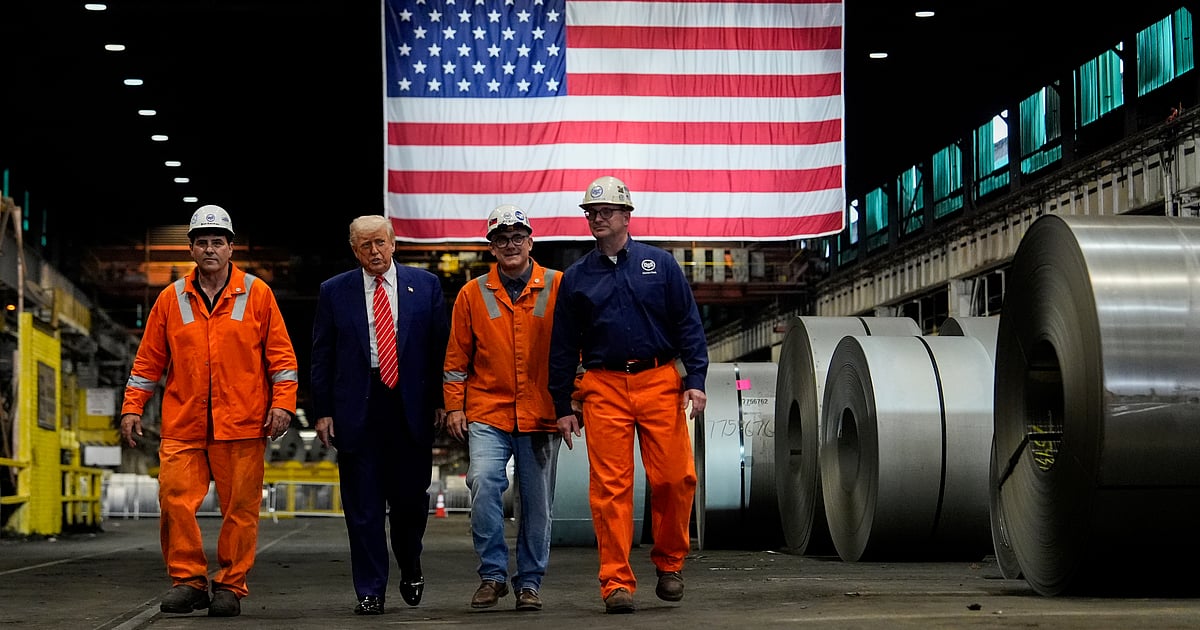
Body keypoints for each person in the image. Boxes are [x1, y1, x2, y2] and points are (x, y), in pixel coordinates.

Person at [119, 204, 299, 618]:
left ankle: (231, 585)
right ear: (192, 249)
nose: (210, 249)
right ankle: (189, 581)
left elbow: (282, 358)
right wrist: (132, 407)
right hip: (184, 422)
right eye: (202, 242)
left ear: (231, 247)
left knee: (240, 509)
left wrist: (283, 405)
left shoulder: (257, 294)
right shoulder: (170, 299)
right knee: (174, 501)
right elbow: (147, 362)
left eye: (218, 241)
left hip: (242, 422)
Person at [548, 176, 709, 614]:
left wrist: (696, 378)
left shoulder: (661, 265)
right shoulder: (577, 279)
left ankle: (670, 564)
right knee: (610, 488)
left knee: (675, 478)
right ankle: (616, 582)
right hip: (603, 385)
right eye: (591, 212)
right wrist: (562, 404)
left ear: (626, 215)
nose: (597, 218)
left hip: (659, 380)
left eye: (606, 212)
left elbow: (688, 324)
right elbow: (563, 346)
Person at [310, 214, 449, 615]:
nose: (374, 251)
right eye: (365, 245)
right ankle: (370, 590)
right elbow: (322, 355)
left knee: (410, 503)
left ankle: (410, 562)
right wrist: (323, 412)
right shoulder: (334, 291)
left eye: (380, 243)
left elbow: (441, 349)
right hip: (358, 408)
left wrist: (444, 401)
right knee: (363, 509)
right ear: (354, 250)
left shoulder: (426, 285)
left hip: (411, 407)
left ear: (393, 243)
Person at [443, 204, 563, 612]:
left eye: (517, 237)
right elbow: (456, 359)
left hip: (541, 412)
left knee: (537, 503)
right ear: (491, 247)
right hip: (488, 410)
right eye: (501, 239)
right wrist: (454, 407)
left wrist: (574, 400)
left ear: (530, 242)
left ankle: (529, 582)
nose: (510, 245)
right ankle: (492, 575)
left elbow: (576, 349)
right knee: (482, 481)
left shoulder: (558, 286)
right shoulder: (472, 294)